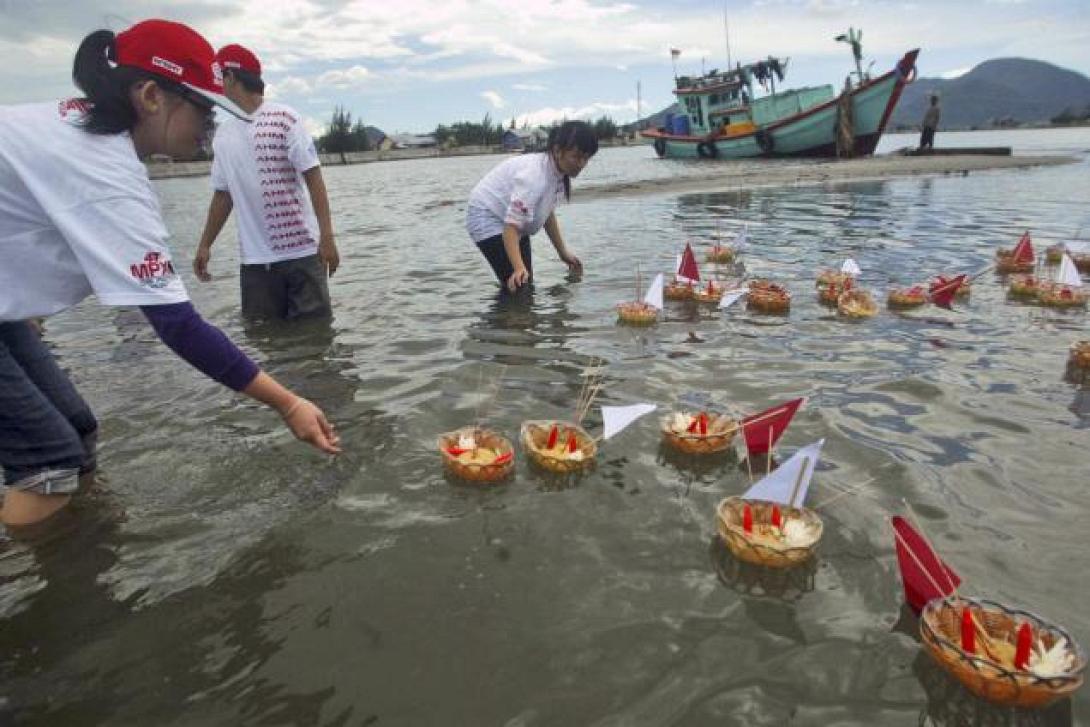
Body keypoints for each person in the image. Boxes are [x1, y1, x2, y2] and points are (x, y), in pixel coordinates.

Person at [0, 20, 340, 527]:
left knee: (76, 427)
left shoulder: (73, 127)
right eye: (203, 110)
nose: (210, 126)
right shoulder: (106, 173)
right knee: (49, 463)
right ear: (152, 96)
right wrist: (288, 404)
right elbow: (178, 326)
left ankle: (85, 543)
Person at [193, 43, 340, 321]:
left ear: (232, 77)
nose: (215, 85)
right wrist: (205, 245)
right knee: (264, 342)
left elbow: (314, 176)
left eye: (218, 77)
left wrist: (327, 237)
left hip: (303, 255)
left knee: (315, 340)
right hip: (256, 264)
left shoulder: (285, 118)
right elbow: (223, 195)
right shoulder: (223, 135)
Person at [466, 121, 597, 293]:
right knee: (520, 285)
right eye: (577, 157)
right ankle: (508, 315)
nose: (581, 164)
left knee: (524, 284)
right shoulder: (535, 177)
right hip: (487, 215)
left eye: (586, 158)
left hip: (510, 222)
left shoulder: (556, 173)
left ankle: (507, 315)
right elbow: (511, 227)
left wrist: (563, 252)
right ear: (557, 151)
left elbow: (546, 214)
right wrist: (519, 269)